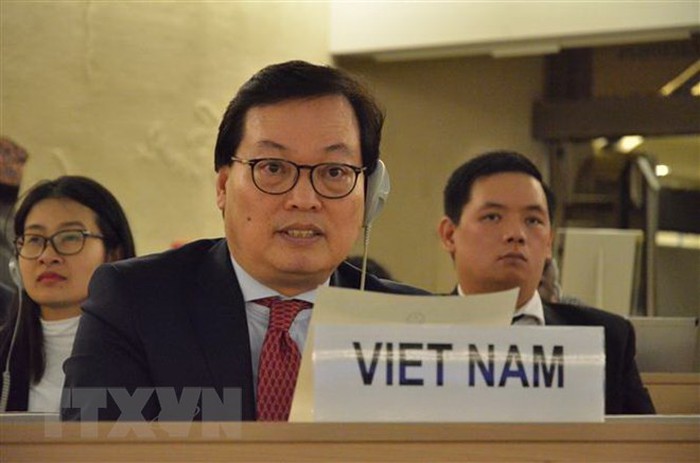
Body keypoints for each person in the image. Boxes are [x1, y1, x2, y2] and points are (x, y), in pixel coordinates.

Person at [62, 60, 428, 422]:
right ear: (223, 186)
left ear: (370, 193)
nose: (304, 199)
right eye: (273, 168)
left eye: (334, 171)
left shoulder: (421, 327)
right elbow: (93, 445)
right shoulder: (135, 302)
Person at [437, 150, 654, 415]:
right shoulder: (409, 336)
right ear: (449, 235)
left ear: (549, 242)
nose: (516, 234)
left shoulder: (607, 339)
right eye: (492, 217)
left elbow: (644, 437)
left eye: (533, 221)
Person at [0, 176, 136, 412]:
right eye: (34, 239)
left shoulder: (150, 353)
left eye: (71, 237)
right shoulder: (6, 352)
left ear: (114, 254)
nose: (47, 256)